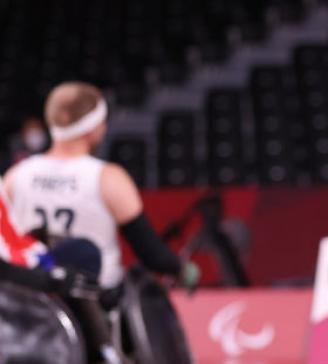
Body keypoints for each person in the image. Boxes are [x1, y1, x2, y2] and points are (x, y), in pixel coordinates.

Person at [4, 81, 196, 291]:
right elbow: (152, 255)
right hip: (92, 304)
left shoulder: (16, 176)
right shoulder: (108, 179)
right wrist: (183, 270)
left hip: (34, 303)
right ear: (93, 127)